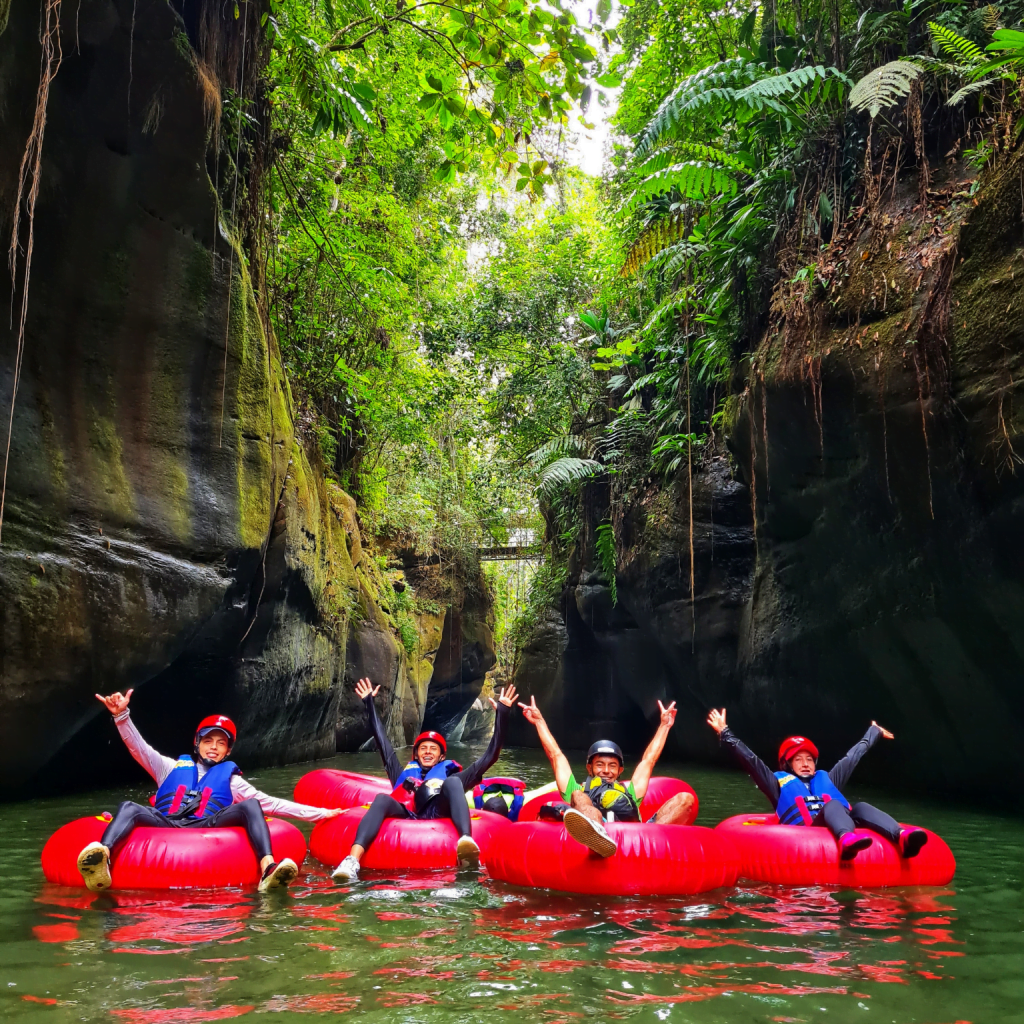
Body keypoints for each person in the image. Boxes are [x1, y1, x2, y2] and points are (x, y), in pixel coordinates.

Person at [77, 689, 344, 893]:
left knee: (252, 806)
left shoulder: (232, 782)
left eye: (221, 743)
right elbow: (139, 749)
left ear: (228, 751)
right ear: (197, 744)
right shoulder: (169, 768)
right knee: (129, 807)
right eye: (208, 741)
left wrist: (322, 813)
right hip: (167, 821)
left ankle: (267, 869)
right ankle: (102, 859)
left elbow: (272, 804)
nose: (213, 747)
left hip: (207, 824)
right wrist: (121, 716)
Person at [331, 677, 519, 882]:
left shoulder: (453, 776)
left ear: (441, 757)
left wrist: (503, 714)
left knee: (454, 783)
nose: (427, 752)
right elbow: (382, 741)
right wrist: (368, 702)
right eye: (423, 748)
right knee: (382, 799)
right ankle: (352, 861)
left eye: (433, 749)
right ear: (416, 755)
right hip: (408, 813)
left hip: (436, 811)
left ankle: (466, 843)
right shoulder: (402, 775)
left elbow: (491, 755)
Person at [706, 708, 928, 860]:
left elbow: (852, 757)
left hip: (839, 825)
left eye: (809, 759)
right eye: (798, 760)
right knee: (832, 806)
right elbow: (751, 761)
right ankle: (846, 840)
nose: (805, 764)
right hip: (808, 835)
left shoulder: (827, 779)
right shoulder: (776, 784)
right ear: (787, 765)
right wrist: (726, 734)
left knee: (859, 807)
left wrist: (874, 731)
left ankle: (901, 837)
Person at [518, 695, 697, 858]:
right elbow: (556, 756)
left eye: (612, 766)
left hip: (640, 838)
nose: (606, 770)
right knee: (578, 797)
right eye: (599, 765)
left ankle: (652, 848)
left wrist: (665, 726)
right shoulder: (578, 789)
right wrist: (539, 722)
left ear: (620, 771)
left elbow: (648, 760)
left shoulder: (630, 792)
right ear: (590, 769)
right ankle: (596, 836)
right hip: (600, 834)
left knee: (685, 799)